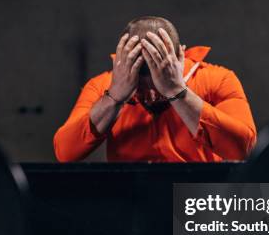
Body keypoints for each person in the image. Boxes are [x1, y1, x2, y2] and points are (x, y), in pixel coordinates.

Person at [54, 16, 256, 162]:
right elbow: (65, 152)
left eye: (159, 83)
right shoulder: (102, 85)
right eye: (140, 87)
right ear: (123, 64)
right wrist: (115, 96)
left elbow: (243, 148)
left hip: (196, 199)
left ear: (179, 57)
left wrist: (176, 91)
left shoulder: (218, 79)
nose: (150, 96)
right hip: (132, 201)